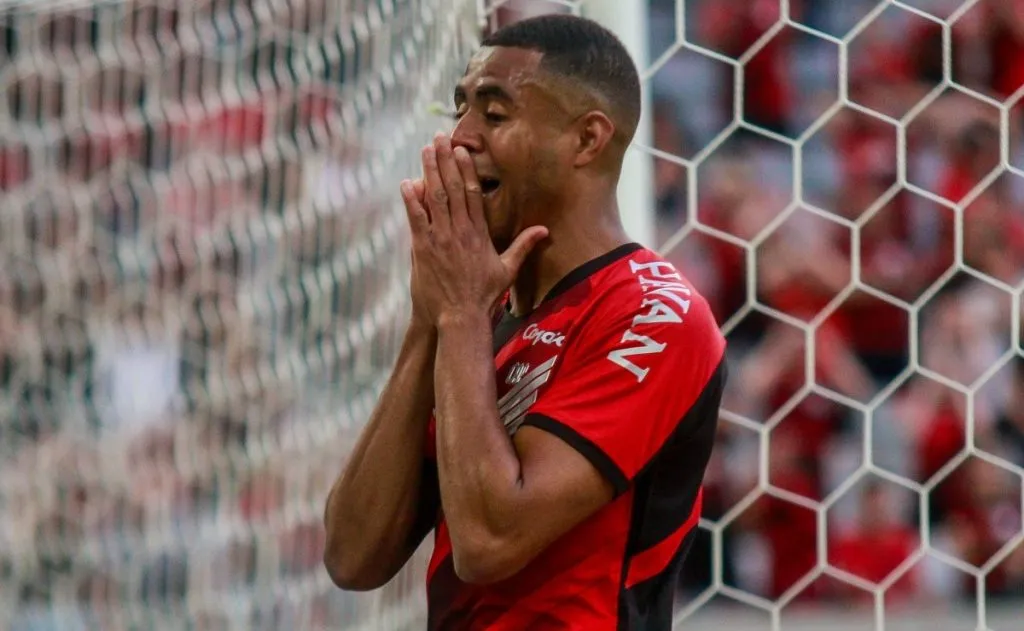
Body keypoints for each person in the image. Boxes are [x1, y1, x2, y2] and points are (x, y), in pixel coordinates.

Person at [323, 14, 727, 630]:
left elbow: (491, 541)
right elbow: (353, 557)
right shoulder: (479, 319)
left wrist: (457, 315)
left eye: (494, 112)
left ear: (587, 140)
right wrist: (427, 323)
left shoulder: (653, 312)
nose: (458, 137)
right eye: (460, 108)